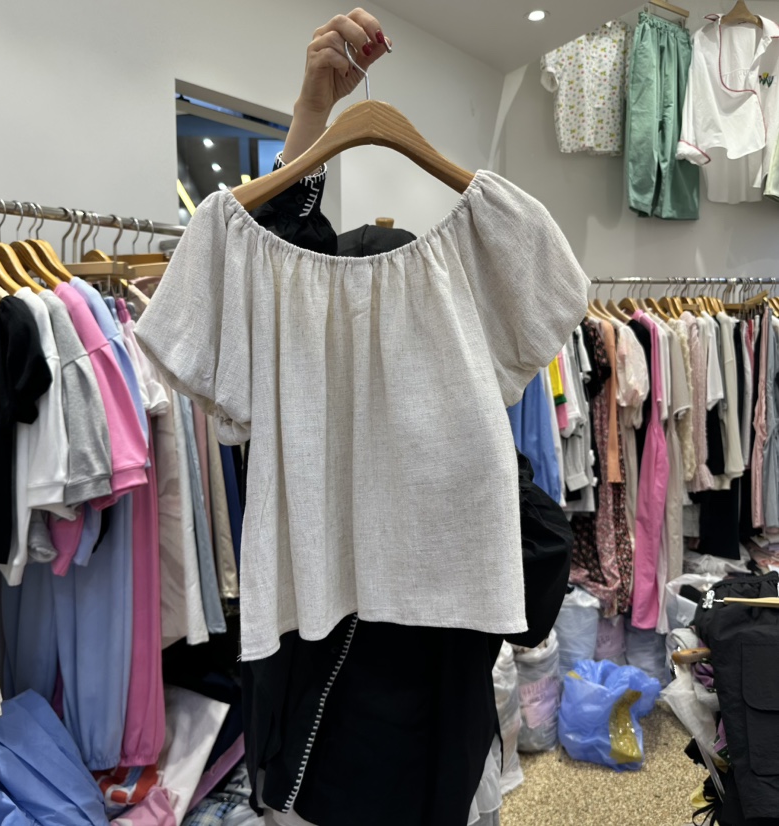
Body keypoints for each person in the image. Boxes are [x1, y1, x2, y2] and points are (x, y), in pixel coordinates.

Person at [233, 10, 574, 826]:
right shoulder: (307, 421)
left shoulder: (426, 441)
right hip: (361, 747)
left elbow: (536, 576)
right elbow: (540, 577)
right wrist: (312, 114)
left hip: (354, 749)